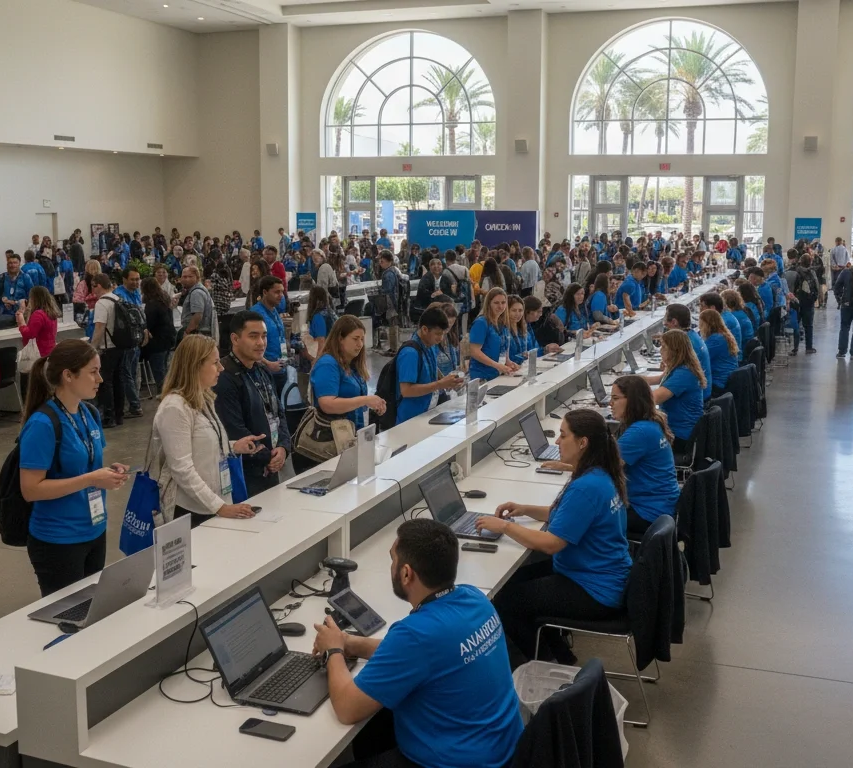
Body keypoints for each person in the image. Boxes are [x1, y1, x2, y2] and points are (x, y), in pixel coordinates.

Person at [311, 518, 524, 768]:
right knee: (374, 732)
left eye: (393, 559)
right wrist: (348, 642)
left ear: (406, 573)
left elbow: (347, 708)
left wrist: (334, 650)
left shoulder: (415, 635)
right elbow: (418, 656)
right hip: (506, 750)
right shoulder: (474, 598)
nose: (390, 566)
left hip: (461, 762)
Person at [477, 409, 631, 667]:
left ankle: (548, 667)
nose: (557, 442)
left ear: (583, 443)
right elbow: (568, 515)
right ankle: (562, 657)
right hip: (599, 574)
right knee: (513, 583)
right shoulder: (598, 474)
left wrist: (504, 526)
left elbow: (551, 544)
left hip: (595, 589)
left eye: (563, 435)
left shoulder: (586, 487)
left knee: (506, 602)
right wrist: (525, 509)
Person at [19, 340, 128, 596]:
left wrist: (109, 472)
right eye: (92, 371)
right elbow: (31, 489)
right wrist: (91, 479)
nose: (99, 379)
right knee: (67, 618)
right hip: (58, 539)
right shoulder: (42, 424)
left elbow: (88, 463)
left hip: (94, 529)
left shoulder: (88, 412)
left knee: (91, 610)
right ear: (68, 375)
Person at [155, 334, 262, 526]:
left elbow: (203, 446)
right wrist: (219, 507)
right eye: (215, 363)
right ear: (195, 366)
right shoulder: (174, 408)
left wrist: (234, 446)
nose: (221, 368)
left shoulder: (203, 399)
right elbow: (181, 469)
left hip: (215, 502)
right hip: (193, 510)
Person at [215, 312, 293, 497]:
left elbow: (279, 413)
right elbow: (234, 429)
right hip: (244, 472)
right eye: (253, 336)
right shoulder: (224, 378)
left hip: (271, 465)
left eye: (264, 336)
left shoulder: (262, 370)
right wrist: (268, 457)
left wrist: (283, 447)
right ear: (235, 338)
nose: (261, 342)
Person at [608, 375, 681, 534]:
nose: (610, 404)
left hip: (647, 513)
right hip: (661, 505)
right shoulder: (650, 422)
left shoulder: (639, 432)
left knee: (590, 520)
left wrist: (567, 465)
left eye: (615, 398)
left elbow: (605, 468)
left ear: (632, 401)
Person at [311, 315, 385, 431]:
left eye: (362, 339)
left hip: (354, 431)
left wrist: (374, 405)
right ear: (340, 338)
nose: (360, 344)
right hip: (333, 437)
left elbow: (353, 401)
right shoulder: (327, 364)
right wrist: (365, 400)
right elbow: (327, 404)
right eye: (355, 339)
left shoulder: (353, 364)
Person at [394, 307, 465, 425]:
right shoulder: (410, 353)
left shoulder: (430, 345)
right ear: (425, 329)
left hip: (429, 411)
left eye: (443, 334)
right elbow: (406, 391)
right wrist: (439, 384)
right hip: (411, 419)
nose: (441, 338)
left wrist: (448, 381)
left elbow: (432, 370)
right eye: (437, 334)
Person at [654, 328, 706, 451]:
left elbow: (653, 399)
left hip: (679, 437)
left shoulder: (683, 374)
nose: (660, 351)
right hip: (679, 430)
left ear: (674, 351)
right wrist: (631, 380)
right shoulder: (681, 367)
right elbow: (656, 380)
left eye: (664, 347)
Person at [89, 274, 127, 428]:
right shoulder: (118, 299)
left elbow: (99, 328)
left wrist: (92, 348)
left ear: (98, 285)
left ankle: (108, 417)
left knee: (106, 383)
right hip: (121, 345)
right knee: (119, 380)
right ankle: (119, 415)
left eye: (93, 286)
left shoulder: (102, 303)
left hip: (107, 347)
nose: (92, 290)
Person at [467, 287, 519, 383]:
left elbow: (503, 349)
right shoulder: (481, 323)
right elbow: (474, 351)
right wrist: (496, 365)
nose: (500, 306)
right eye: (496, 303)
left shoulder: (503, 324)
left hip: (496, 375)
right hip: (481, 376)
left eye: (503, 303)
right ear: (489, 303)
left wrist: (509, 362)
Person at [250, 275, 290, 396]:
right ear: (265, 292)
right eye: (276, 292)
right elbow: (249, 346)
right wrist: (267, 363)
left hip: (280, 368)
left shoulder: (274, 310)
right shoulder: (255, 313)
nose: (281, 295)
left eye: (282, 291)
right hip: (264, 371)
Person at [115, 267, 146, 418]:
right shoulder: (119, 295)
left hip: (136, 341)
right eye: (132, 279)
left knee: (131, 373)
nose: (136, 282)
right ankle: (135, 405)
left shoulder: (136, 293)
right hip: (127, 341)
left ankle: (134, 404)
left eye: (137, 279)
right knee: (126, 373)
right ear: (124, 280)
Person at [141, 276, 177, 394]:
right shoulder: (164, 299)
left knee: (158, 369)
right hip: (168, 337)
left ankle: (163, 393)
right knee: (164, 367)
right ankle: (168, 389)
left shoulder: (151, 305)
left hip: (157, 341)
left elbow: (148, 324)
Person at [698, 308, 740, 392]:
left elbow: (699, 359)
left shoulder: (716, 340)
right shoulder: (722, 334)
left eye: (701, 324)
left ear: (707, 324)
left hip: (720, 382)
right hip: (728, 376)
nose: (699, 327)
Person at [789, 254, 819, 354]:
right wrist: (815, 298)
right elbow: (817, 287)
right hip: (808, 302)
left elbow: (791, 287)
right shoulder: (812, 272)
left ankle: (795, 348)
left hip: (796, 301)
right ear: (810, 262)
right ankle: (809, 347)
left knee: (795, 324)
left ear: (800, 261)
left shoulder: (794, 272)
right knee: (808, 325)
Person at [179, 266, 216, 337]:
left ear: (197, 278)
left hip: (198, 335)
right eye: (184, 277)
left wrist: (187, 332)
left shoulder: (196, 292)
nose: (187, 279)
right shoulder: (194, 290)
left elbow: (198, 315)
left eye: (190, 276)